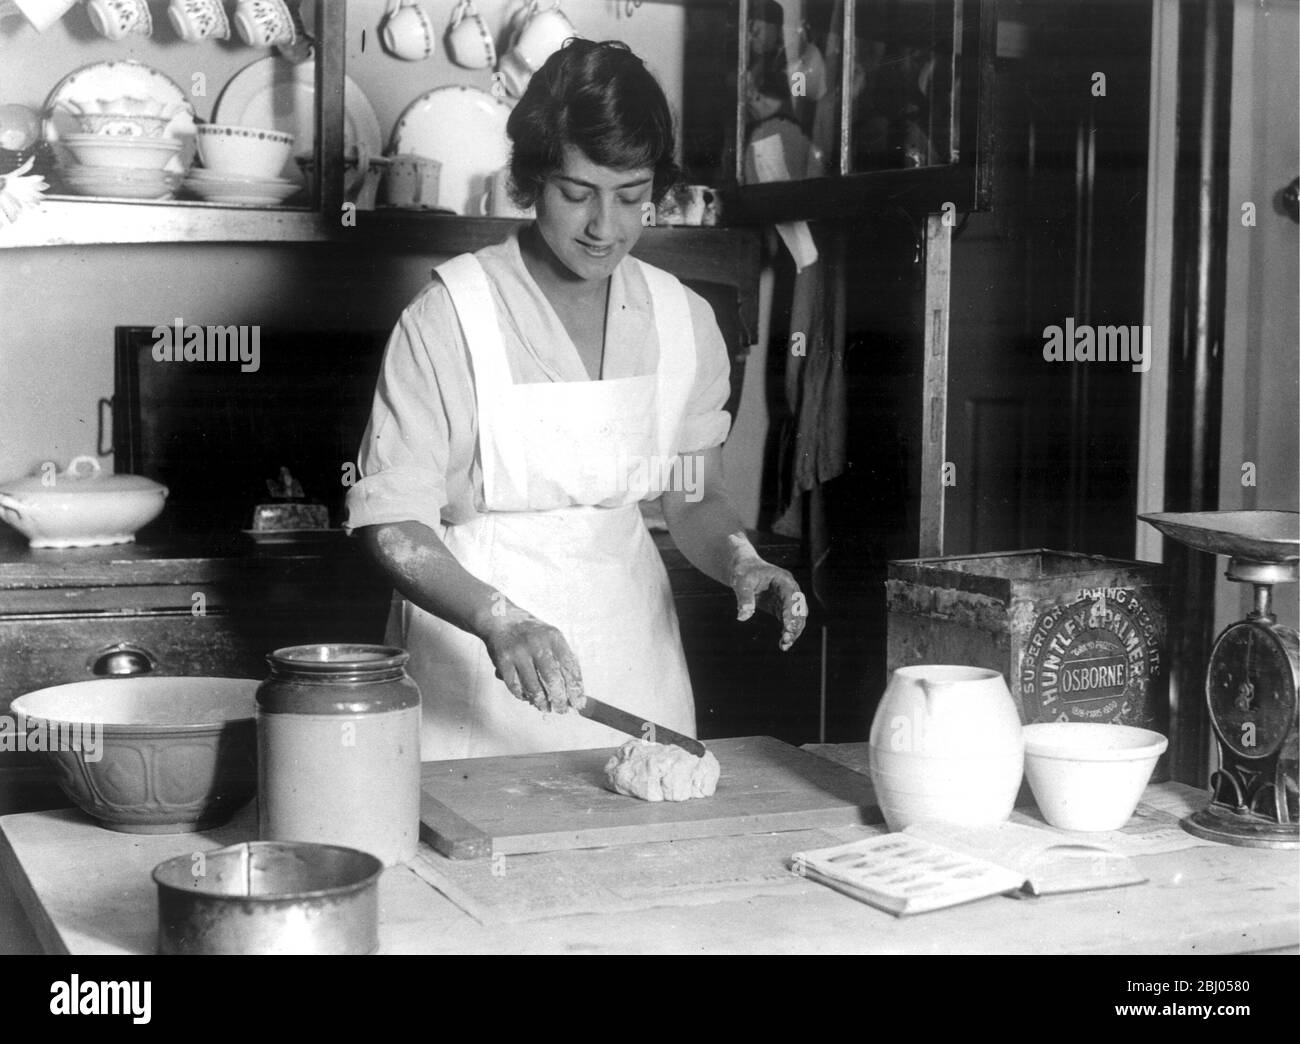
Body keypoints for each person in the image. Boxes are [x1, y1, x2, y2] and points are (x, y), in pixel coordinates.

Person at [345, 39, 807, 760]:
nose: (605, 227)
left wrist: (740, 559)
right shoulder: (450, 318)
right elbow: (394, 523)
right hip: (474, 669)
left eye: (631, 197)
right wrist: (498, 620)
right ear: (532, 178)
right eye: (577, 192)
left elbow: (691, 495)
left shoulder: (683, 322)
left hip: (633, 664)